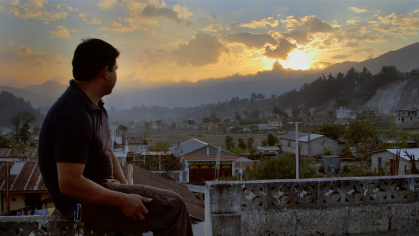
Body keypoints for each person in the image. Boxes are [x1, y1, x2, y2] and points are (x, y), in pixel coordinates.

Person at [38, 38, 193, 236]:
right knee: (173, 207)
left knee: (149, 208)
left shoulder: (94, 107)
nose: (116, 75)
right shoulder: (72, 115)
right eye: (115, 69)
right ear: (105, 73)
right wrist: (123, 199)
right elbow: (70, 183)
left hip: (103, 191)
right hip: (84, 205)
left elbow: (107, 150)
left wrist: (128, 190)